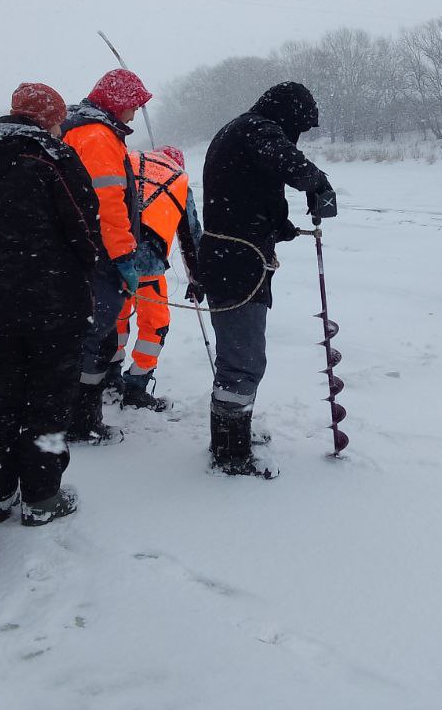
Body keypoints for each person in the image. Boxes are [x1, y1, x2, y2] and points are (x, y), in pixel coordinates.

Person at [0, 82, 103, 526]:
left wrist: (5, 257)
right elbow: (85, 231)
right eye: (57, 118)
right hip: (57, 303)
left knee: (1, 395)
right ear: (47, 118)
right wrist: (68, 265)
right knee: (50, 400)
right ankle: (41, 497)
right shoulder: (53, 159)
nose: (61, 126)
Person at [197, 81, 334, 477]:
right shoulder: (256, 129)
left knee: (242, 356)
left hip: (237, 255)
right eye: (301, 127)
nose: (299, 136)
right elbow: (288, 163)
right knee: (242, 360)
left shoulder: (239, 131)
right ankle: (229, 454)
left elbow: (245, 189)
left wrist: (278, 225)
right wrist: (318, 181)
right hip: (235, 260)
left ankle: (234, 435)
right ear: (289, 114)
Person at [60, 67, 154, 443]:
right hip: (98, 255)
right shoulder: (98, 137)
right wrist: (123, 257)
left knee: (87, 335)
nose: (134, 114)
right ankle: (80, 422)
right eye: (132, 106)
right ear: (117, 103)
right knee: (93, 335)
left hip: (81, 252)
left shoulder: (82, 131)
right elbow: (107, 206)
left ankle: (74, 416)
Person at [108, 144, 202, 410]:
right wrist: (197, 279)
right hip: (148, 266)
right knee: (154, 325)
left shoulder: (128, 168)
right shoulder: (179, 182)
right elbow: (191, 237)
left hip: (113, 261)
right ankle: (136, 386)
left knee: (116, 320)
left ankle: (108, 377)